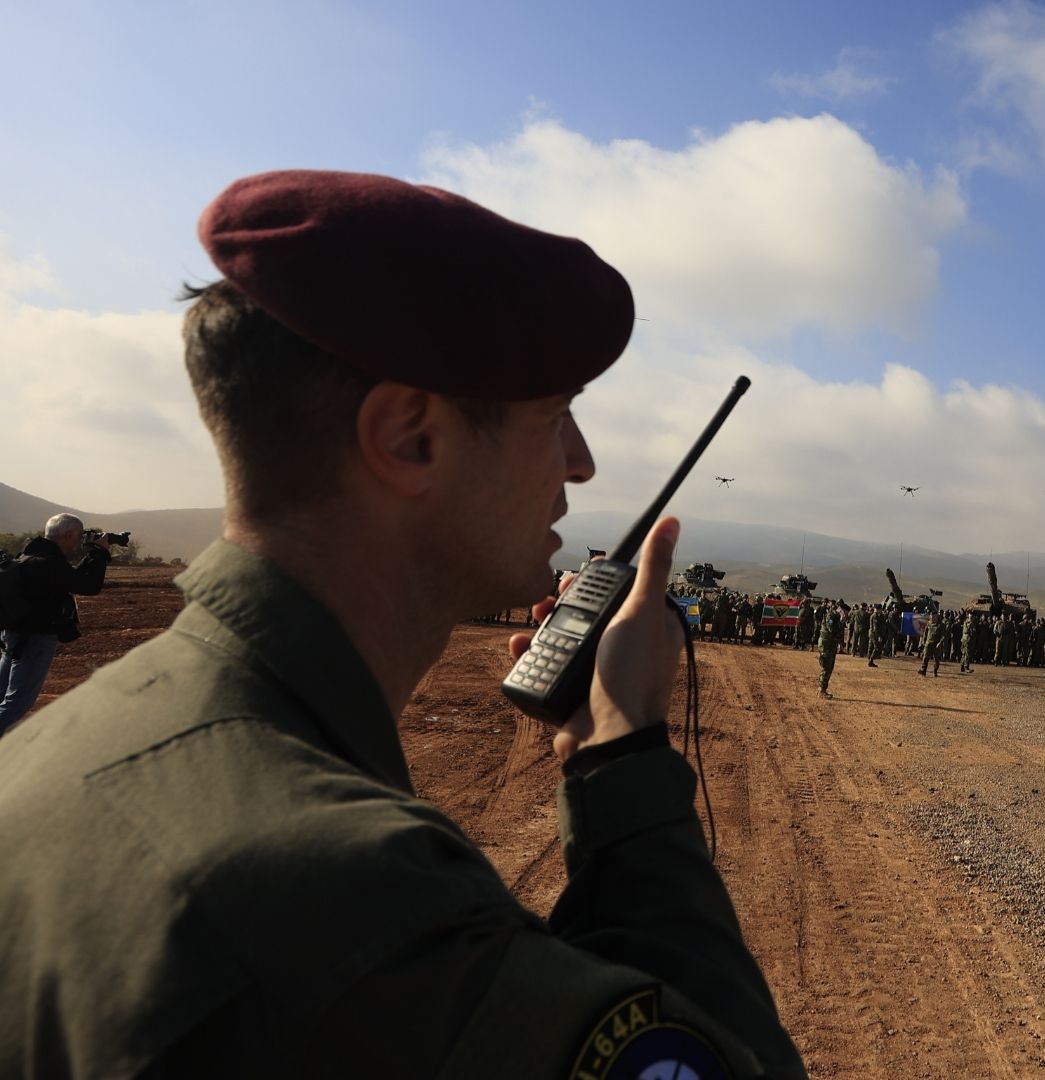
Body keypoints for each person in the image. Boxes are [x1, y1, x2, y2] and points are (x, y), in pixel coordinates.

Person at [0, 171, 803, 1078]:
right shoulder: (351, 894)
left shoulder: (51, 756)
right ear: (410, 438)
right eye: (556, 414)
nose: (580, 463)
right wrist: (626, 762)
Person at [0, 515, 115, 735]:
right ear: (68, 535)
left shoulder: (29, 555)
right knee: (16, 703)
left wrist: (93, 553)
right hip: (35, 639)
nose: (79, 541)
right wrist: (100, 552)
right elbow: (89, 585)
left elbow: (70, 578)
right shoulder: (50, 563)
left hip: (13, 635)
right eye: (78, 536)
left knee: (2, 695)